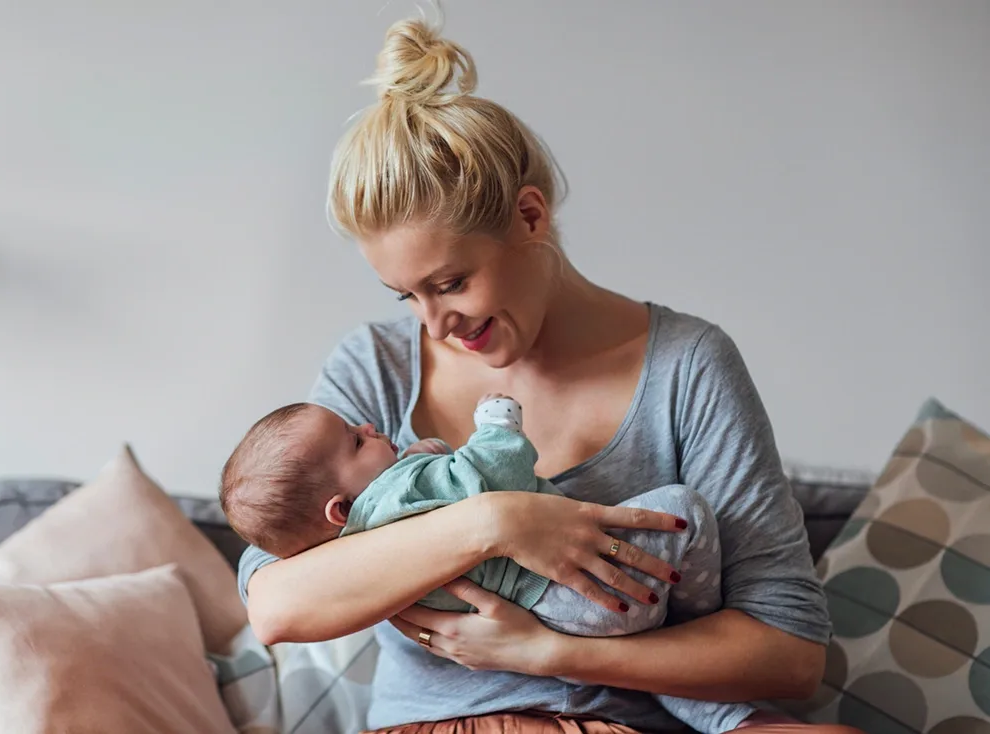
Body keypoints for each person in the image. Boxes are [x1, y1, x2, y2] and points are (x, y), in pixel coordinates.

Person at [237, 15, 859, 734]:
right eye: (407, 296)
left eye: (451, 283)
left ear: (529, 216)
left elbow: (789, 654)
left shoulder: (687, 368)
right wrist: (495, 521)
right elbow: (278, 605)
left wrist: (550, 651)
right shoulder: (374, 370)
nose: (434, 324)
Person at [222, 393, 751, 733]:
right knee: (686, 511)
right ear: (337, 509)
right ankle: (694, 629)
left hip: (565, 625)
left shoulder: (347, 549)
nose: (369, 425)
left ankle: (697, 695)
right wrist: (497, 427)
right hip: (580, 597)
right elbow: (495, 469)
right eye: (357, 440)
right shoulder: (400, 486)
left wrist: (419, 461)